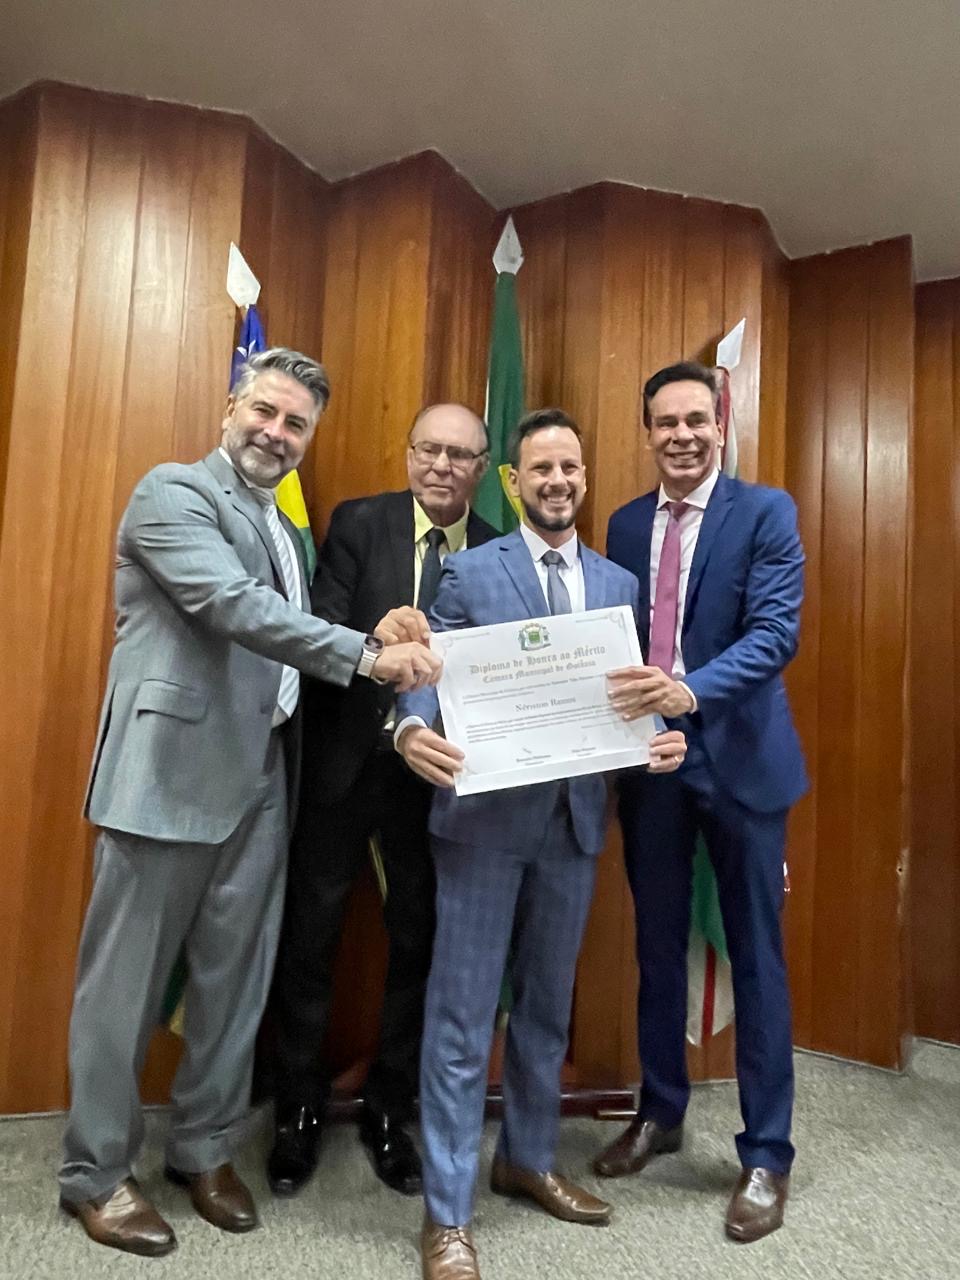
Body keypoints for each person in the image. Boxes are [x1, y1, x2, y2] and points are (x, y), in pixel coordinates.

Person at [58, 347, 440, 1257]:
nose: (276, 432)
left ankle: (202, 1149)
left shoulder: (287, 532)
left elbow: (290, 629)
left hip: (265, 777)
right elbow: (232, 606)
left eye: (296, 423)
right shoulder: (174, 493)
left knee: (235, 986)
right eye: (264, 411)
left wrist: (372, 629)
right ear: (231, 407)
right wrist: (367, 656)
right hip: (166, 779)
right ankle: (96, 1174)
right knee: (123, 990)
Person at [396, 409, 687, 1280]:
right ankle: (448, 1213)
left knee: (547, 1012)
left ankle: (527, 1159)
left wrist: (659, 738)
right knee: (460, 1020)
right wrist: (410, 728)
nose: (557, 481)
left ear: (583, 478)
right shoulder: (469, 571)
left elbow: (626, 698)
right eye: (541, 469)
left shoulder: (617, 583)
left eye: (571, 467)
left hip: (573, 828)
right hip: (482, 829)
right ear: (512, 481)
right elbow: (430, 673)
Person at [593, 361, 808, 1243]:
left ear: (719, 423)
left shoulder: (766, 512)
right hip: (652, 764)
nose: (681, 435)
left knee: (756, 955)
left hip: (742, 763)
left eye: (695, 419)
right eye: (665, 422)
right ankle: (661, 1109)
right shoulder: (624, 522)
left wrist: (689, 691)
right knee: (655, 944)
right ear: (647, 432)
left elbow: (776, 633)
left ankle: (766, 1153)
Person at [266, 404, 497, 1197]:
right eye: (429, 449)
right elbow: (317, 629)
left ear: (481, 469)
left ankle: (390, 1111)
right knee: (311, 938)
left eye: (460, 455)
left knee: (417, 946)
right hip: (343, 767)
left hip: (434, 784)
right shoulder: (360, 523)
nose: (442, 466)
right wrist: (377, 636)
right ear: (408, 454)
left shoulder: (496, 548)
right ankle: (296, 1110)